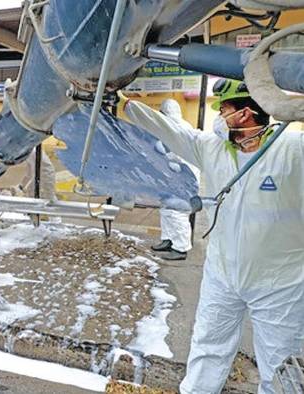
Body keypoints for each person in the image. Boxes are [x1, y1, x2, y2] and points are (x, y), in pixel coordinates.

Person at [121, 79, 304, 393]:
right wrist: (123, 104)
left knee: (281, 366)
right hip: (222, 275)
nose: (219, 116)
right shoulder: (212, 149)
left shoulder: (293, 149)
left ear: (245, 114)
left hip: (281, 283)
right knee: (207, 349)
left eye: (224, 110)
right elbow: (168, 129)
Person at [151, 99, 200, 260]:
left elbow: (182, 158)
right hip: (172, 178)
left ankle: (180, 248)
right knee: (166, 210)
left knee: (178, 213)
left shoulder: (180, 129)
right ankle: (168, 240)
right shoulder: (169, 128)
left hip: (184, 179)